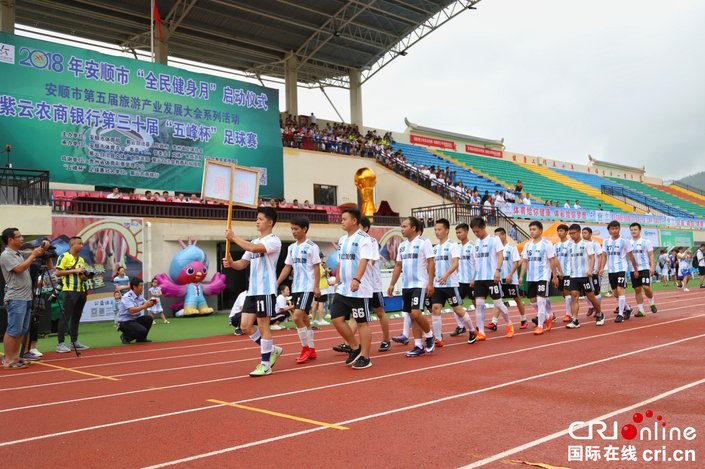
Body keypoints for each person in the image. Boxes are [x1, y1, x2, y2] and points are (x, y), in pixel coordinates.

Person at [223, 206, 283, 377]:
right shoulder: (254, 241)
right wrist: (232, 263)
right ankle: (271, 350)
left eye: (261, 218)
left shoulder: (273, 241)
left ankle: (265, 364)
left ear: (270, 222)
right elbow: (242, 263)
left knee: (263, 327)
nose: (257, 221)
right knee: (245, 326)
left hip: (265, 290)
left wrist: (233, 237)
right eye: (257, 218)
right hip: (252, 291)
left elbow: (255, 249)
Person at [329, 207, 374, 369]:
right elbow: (341, 261)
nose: (341, 221)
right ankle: (355, 348)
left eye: (344, 219)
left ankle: (366, 358)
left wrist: (357, 279)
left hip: (359, 289)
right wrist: (337, 281)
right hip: (343, 288)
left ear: (354, 221)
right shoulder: (342, 239)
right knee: (336, 318)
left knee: (362, 322)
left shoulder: (364, 239)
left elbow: (364, 260)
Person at [388, 216, 438, 356]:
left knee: (416, 313)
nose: (402, 229)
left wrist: (430, 283)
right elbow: (398, 265)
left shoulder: (424, 242)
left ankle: (429, 336)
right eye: (402, 227)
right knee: (412, 315)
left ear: (414, 228)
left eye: (405, 227)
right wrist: (392, 284)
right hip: (406, 285)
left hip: (420, 284)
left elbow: (431, 263)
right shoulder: (402, 245)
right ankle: (418, 346)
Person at [276, 216, 321, 363]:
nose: (293, 231)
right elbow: (287, 267)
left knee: (296, 318)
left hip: (307, 288)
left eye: (296, 229)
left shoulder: (312, 246)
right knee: (305, 319)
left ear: (304, 229)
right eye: (292, 229)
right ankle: (312, 350)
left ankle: (305, 349)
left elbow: (316, 267)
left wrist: (316, 286)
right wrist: (277, 283)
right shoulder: (291, 248)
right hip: (296, 288)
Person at [0, 229, 48, 369]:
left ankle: (16, 357)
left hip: (26, 297)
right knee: (13, 330)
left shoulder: (18, 253)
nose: (22, 238)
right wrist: (33, 255)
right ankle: (8, 360)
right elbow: (20, 268)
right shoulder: (6, 255)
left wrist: (43, 247)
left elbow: (36, 252)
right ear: (10, 239)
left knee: (21, 330)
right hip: (16, 298)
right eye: (19, 236)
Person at [429, 219, 477, 345]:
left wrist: (446, 274)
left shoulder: (453, 245)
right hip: (437, 284)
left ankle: (472, 330)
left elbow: (456, 263)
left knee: (458, 309)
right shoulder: (435, 248)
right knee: (435, 309)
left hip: (450, 284)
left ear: (446, 230)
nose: (436, 232)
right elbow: (432, 266)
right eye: (435, 229)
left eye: (439, 229)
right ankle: (438, 338)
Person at [471, 217, 513, 340]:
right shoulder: (476, 243)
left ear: (484, 227)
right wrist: (473, 278)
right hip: (479, 278)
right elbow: (475, 261)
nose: (476, 234)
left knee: (498, 304)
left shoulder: (494, 240)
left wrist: (498, 271)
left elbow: (500, 255)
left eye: (477, 231)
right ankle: (481, 332)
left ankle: (508, 324)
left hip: (492, 277)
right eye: (474, 232)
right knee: (479, 305)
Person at [356, 216, 390, 351]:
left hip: (372, 284)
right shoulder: (353, 241)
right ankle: (349, 343)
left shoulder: (372, 241)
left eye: (358, 227)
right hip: (359, 284)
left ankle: (386, 339)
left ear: (365, 228)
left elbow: (372, 261)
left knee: (379, 311)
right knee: (355, 314)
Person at [520, 221, 560, 335]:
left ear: (540, 230)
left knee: (541, 301)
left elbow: (552, 261)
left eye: (534, 229)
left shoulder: (547, 244)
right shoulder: (527, 245)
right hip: (531, 277)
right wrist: (521, 276)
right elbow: (524, 262)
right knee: (533, 302)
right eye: (530, 229)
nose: (532, 231)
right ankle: (548, 316)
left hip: (543, 276)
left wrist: (555, 276)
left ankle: (540, 325)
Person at [487, 227, 527, 330]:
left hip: (511, 279)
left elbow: (516, 262)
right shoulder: (494, 248)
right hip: (499, 279)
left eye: (498, 236)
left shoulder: (511, 247)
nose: (496, 238)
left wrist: (510, 275)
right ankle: (494, 322)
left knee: (517, 299)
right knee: (497, 299)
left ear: (504, 235)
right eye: (495, 236)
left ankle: (523, 319)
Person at [55, 236, 90, 353]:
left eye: (82, 244)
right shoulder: (64, 256)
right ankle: (60, 343)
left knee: (77, 316)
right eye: (79, 243)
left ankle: (74, 342)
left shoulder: (81, 259)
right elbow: (58, 272)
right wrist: (75, 270)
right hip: (70, 290)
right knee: (66, 316)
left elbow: (81, 276)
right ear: (72, 245)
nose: (81, 245)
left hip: (81, 290)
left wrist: (84, 277)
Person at [566, 224, 601, 329]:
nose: (572, 235)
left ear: (579, 232)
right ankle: (575, 319)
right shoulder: (570, 246)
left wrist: (591, 270)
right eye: (570, 234)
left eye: (574, 233)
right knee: (574, 297)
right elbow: (569, 260)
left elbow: (592, 257)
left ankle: (599, 313)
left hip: (585, 276)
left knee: (591, 297)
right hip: (573, 276)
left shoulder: (587, 244)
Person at [603, 221, 638, 323]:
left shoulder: (624, 241)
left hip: (621, 269)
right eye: (612, 229)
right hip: (611, 270)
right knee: (615, 293)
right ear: (609, 230)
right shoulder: (606, 241)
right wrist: (601, 268)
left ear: (619, 229)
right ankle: (628, 309)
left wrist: (635, 270)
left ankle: (620, 314)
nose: (614, 230)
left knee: (620, 289)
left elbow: (631, 255)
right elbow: (604, 256)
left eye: (616, 228)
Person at [450, 223, 477, 338]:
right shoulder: (456, 247)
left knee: (476, 303)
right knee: (455, 304)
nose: (458, 235)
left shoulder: (473, 246)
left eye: (460, 232)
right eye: (456, 233)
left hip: (471, 280)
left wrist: (474, 278)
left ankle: (479, 325)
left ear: (466, 232)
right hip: (459, 281)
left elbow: (477, 263)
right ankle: (461, 326)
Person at [117, 278, 157, 344]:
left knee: (149, 318)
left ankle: (141, 338)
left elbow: (146, 303)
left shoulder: (139, 295)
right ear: (134, 287)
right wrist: (145, 305)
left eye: (142, 286)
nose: (142, 288)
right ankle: (125, 337)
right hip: (125, 322)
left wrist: (152, 302)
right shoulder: (127, 297)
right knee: (142, 330)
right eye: (141, 286)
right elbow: (132, 310)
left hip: (134, 320)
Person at [629, 223, 657, 316]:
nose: (633, 231)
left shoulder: (646, 241)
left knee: (646, 287)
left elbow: (651, 254)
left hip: (644, 268)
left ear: (640, 230)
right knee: (637, 289)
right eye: (632, 230)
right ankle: (641, 310)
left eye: (635, 229)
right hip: (633, 269)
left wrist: (652, 267)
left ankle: (651, 302)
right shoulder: (628, 242)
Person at [582, 227, 606, 324]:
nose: (583, 235)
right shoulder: (580, 244)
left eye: (585, 233)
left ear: (590, 234)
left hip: (594, 271)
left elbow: (600, 257)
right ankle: (592, 307)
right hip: (584, 272)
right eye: (582, 233)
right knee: (585, 292)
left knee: (596, 291)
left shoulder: (596, 244)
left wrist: (599, 268)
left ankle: (597, 308)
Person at [554, 224, 574, 322]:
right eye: (558, 231)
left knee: (566, 291)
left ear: (566, 232)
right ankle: (570, 309)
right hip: (559, 273)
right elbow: (554, 259)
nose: (559, 233)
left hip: (569, 272)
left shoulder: (571, 244)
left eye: (561, 231)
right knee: (563, 292)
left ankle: (568, 313)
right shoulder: (556, 245)